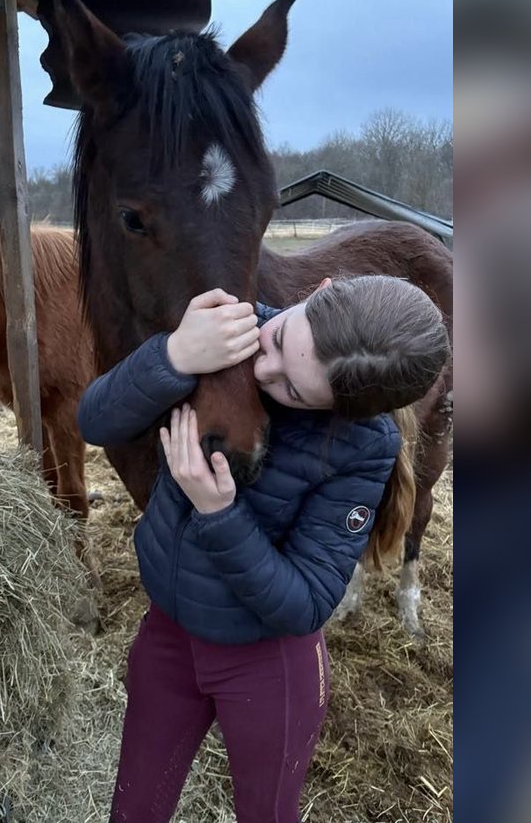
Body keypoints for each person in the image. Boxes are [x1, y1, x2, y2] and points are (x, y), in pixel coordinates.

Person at [77, 274, 450, 823]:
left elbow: (304, 604)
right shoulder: (228, 334)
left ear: (340, 411)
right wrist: (174, 354)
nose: (262, 369)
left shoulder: (362, 448)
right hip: (168, 638)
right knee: (134, 811)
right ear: (317, 290)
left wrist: (218, 513)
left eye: (293, 390)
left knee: (266, 813)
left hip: (266, 666)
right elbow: (95, 421)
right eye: (277, 341)